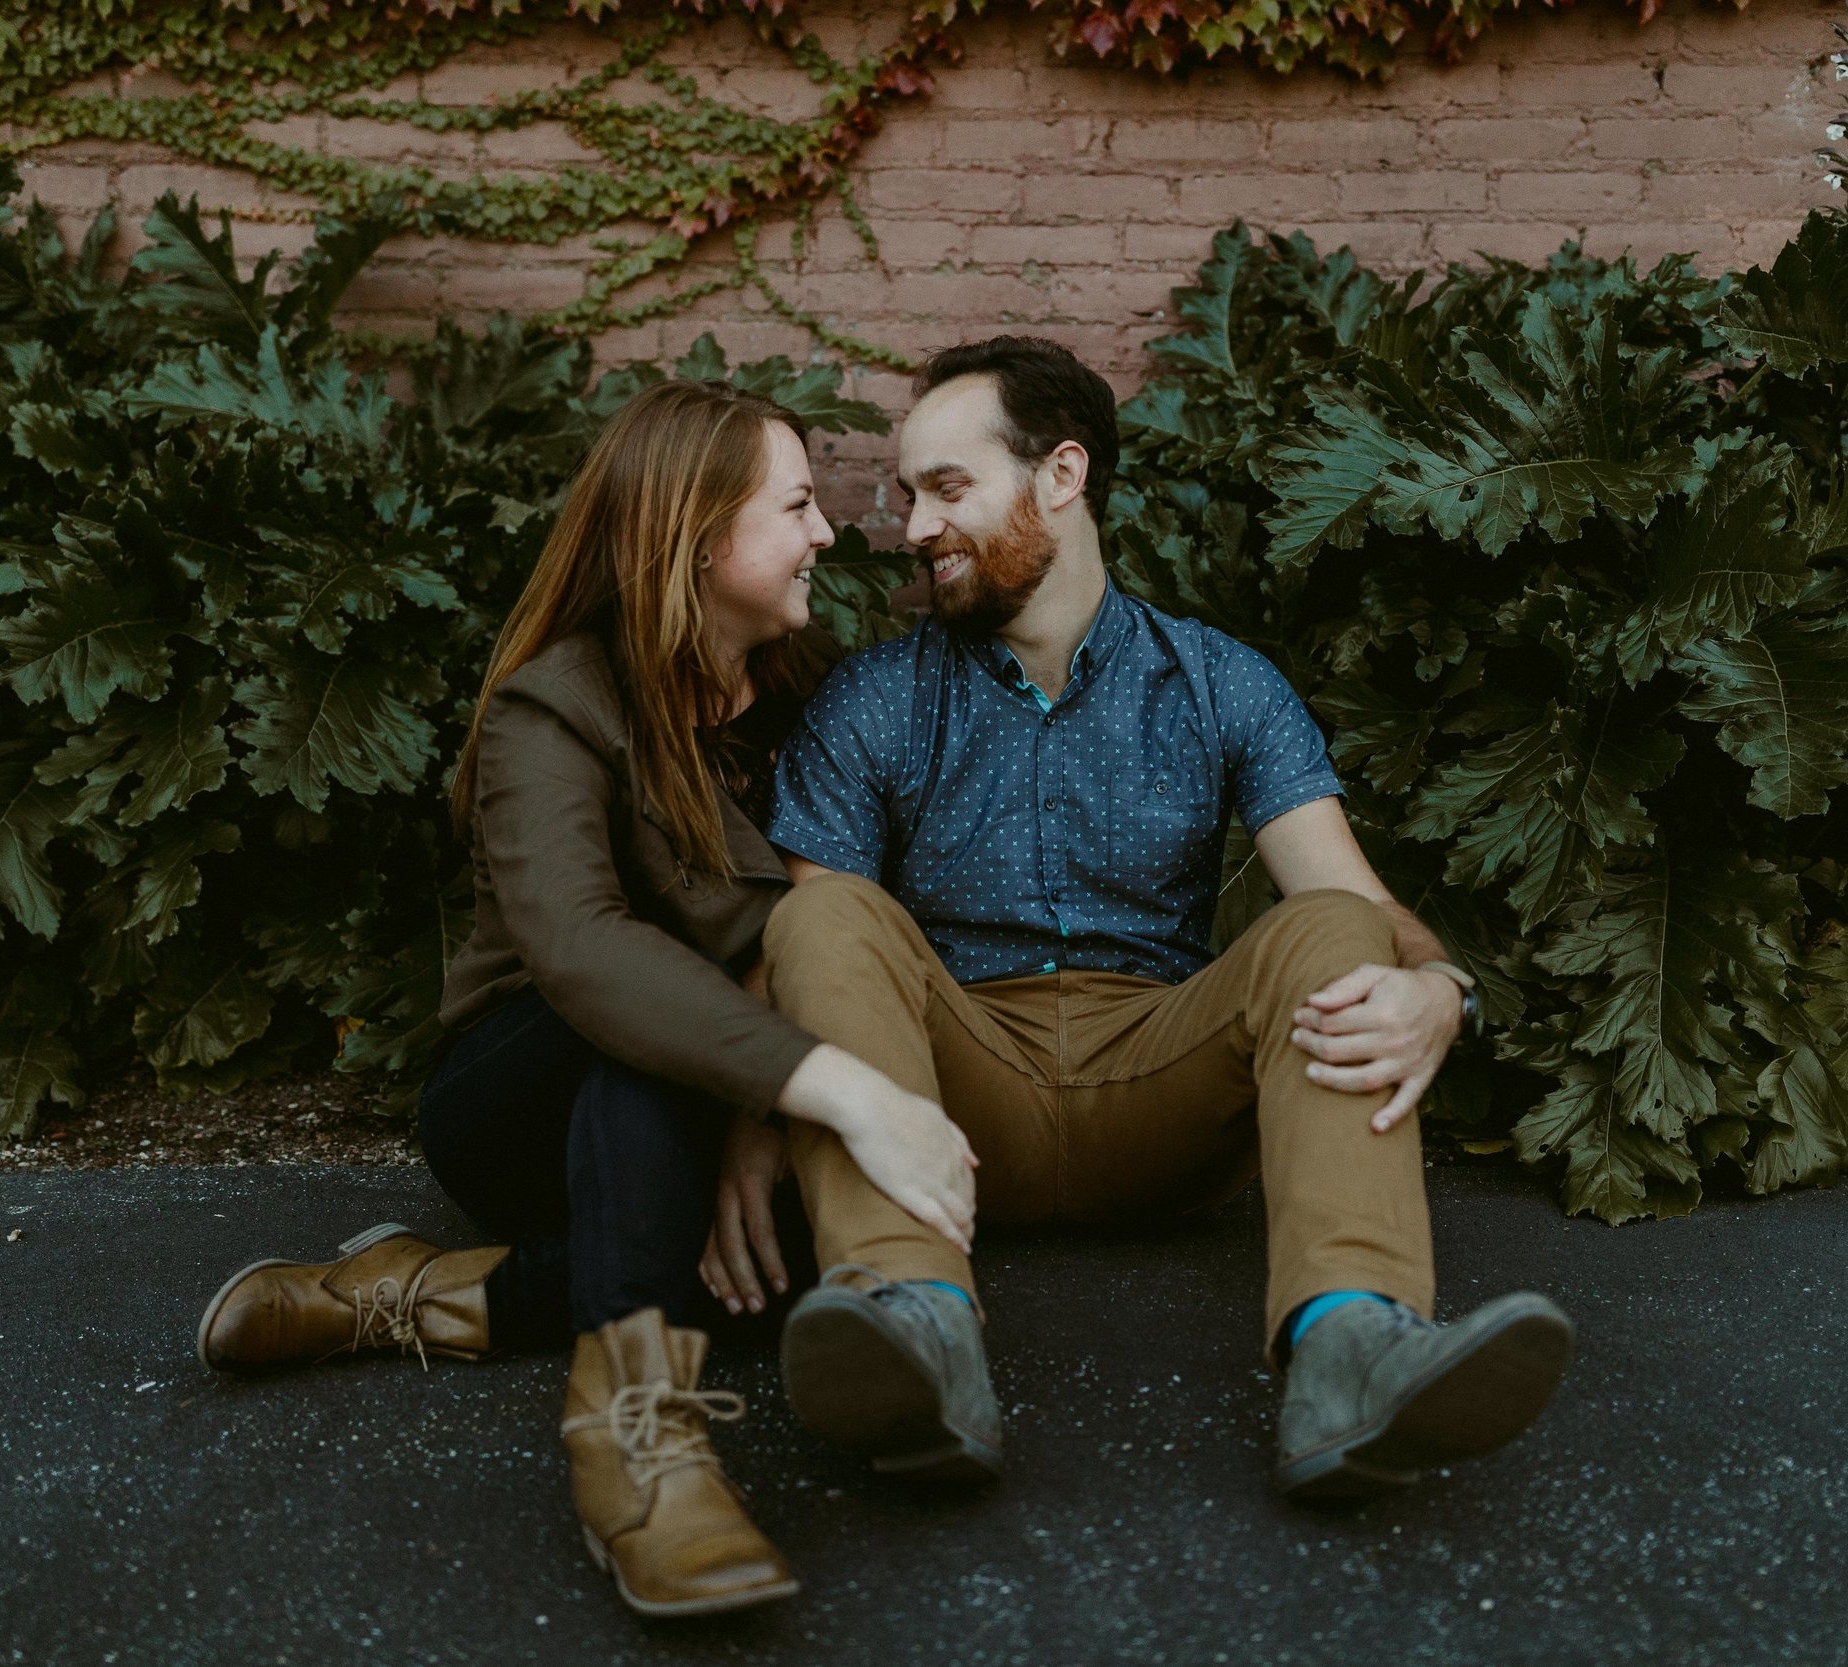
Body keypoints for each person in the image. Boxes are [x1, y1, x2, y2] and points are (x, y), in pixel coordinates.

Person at [745, 335, 1576, 1505]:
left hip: (1164, 1090)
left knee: (1335, 922)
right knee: (824, 916)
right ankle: (914, 1331)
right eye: (904, 495)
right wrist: (742, 1131)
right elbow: (802, 966)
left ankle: (1354, 1347)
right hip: (958, 1093)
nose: (913, 526)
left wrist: (1441, 987)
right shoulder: (875, 698)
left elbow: (1363, 904)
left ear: (1062, 475)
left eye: (945, 488)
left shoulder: (1217, 679)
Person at [189, 379, 972, 1618]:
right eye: (798, 504)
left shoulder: (816, 693)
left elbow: (846, 912)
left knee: (787, 1286)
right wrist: (834, 1089)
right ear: (698, 533)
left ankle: (409, 1297)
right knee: (640, 1034)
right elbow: (585, 952)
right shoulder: (555, 705)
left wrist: (769, 1114)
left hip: (730, 1097)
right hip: (529, 1088)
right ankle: (640, 1452)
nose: (829, 532)